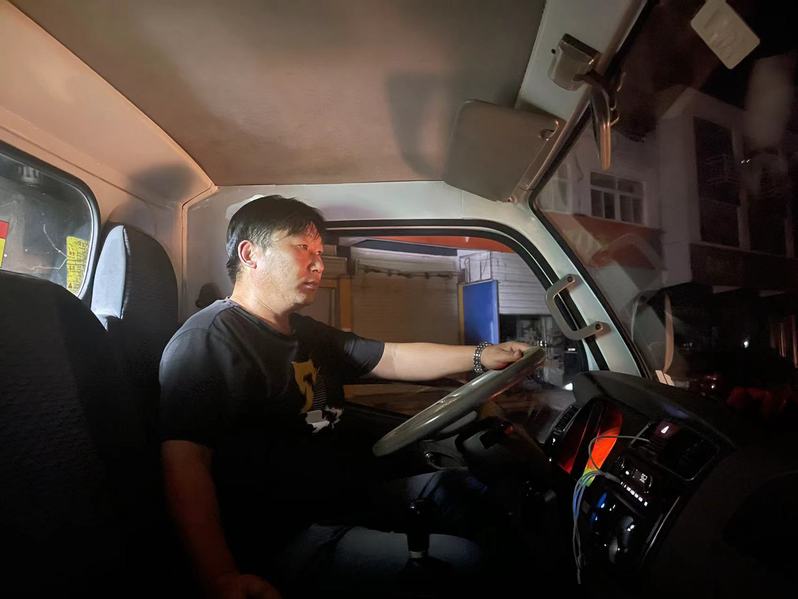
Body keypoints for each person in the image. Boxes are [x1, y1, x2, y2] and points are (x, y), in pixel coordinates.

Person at [160, 195, 529, 598]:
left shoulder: (305, 331)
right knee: (465, 562)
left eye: (319, 252)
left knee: (463, 493)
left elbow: (391, 357)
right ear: (250, 254)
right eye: (302, 247)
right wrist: (220, 576)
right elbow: (185, 462)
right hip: (290, 535)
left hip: (342, 497)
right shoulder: (209, 340)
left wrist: (482, 355)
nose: (319, 264)